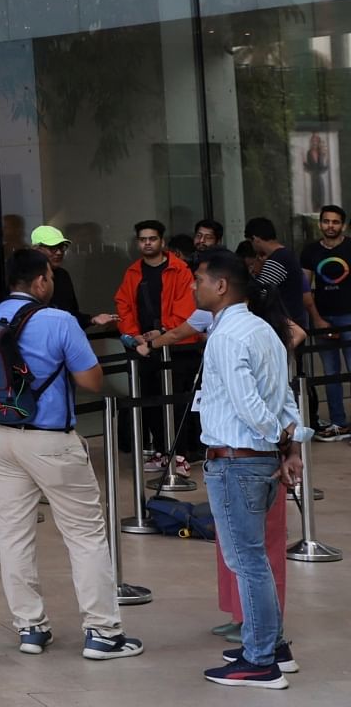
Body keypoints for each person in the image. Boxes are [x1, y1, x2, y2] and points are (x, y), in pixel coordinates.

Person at [0, 248, 144, 660]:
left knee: (13, 532)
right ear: (41, 281)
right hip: (48, 439)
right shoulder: (59, 320)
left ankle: (30, 627)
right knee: (84, 535)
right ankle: (102, 632)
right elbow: (92, 380)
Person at [192, 249, 309, 688]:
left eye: (199, 279)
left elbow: (251, 406)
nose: (194, 286)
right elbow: (285, 399)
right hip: (257, 461)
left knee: (247, 560)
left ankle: (260, 661)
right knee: (253, 557)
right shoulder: (263, 330)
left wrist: (277, 438)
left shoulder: (227, 336)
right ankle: (272, 644)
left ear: (221, 285)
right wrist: (288, 444)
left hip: (238, 461)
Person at [114, 220, 196, 474]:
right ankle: (161, 451)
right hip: (143, 347)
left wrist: (162, 331)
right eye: (143, 239)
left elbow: (187, 306)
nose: (147, 243)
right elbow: (123, 305)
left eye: (152, 238)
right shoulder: (133, 272)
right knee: (150, 401)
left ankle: (181, 454)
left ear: (162, 241)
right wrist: (134, 335)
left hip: (178, 345)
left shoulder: (180, 269)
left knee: (178, 401)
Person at [300, 205, 351, 440]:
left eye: (335, 222)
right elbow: (305, 289)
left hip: (349, 317)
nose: (331, 226)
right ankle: (338, 424)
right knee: (330, 374)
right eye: (326, 221)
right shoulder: (310, 251)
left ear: (343, 225)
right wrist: (318, 320)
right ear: (320, 223)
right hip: (323, 318)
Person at [30, 225, 118, 331]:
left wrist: (92, 320)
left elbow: (71, 314)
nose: (59, 252)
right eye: (52, 248)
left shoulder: (63, 276)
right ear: (36, 249)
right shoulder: (25, 277)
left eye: (62, 247)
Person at [245, 217, 308, 328]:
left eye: (250, 242)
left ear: (255, 239)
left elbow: (260, 293)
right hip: (293, 320)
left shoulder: (277, 260)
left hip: (286, 325)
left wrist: (255, 274)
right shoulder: (286, 255)